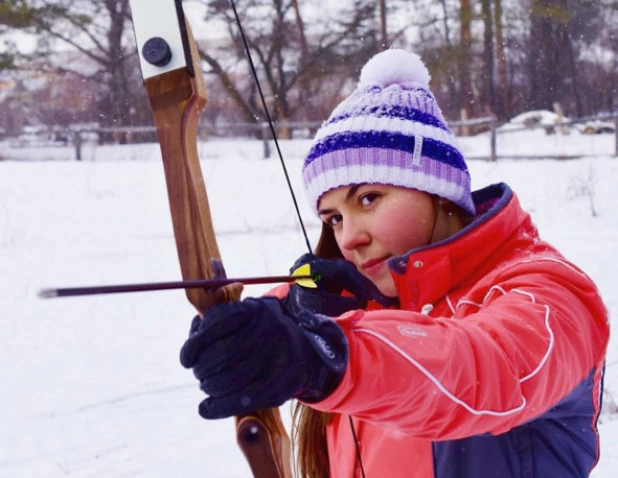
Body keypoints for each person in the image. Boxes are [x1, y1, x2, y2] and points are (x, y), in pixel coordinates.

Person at [180, 49, 609, 477]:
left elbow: (483, 367)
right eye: (334, 218)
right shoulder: (362, 301)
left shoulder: (550, 291)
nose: (349, 238)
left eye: (369, 199)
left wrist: (323, 354)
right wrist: (253, 327)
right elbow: (294, 320)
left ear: (437, 191)